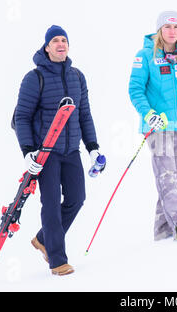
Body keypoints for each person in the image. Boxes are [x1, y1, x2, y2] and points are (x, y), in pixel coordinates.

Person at [14, 25, 104, 275]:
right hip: (46, 153)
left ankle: (43, 238)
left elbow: (84, 114)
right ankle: (57, 260)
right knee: (51, 204)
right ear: (46, 46)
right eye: (55, 40)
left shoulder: (77, 76)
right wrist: (28, 151)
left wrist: (93, 148)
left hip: (71, 150)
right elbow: (21, 117)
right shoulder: (35, 78)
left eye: (64, 40)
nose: (61, 44)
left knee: (77, 199)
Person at [128, 11, 177, 241]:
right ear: (160, 30)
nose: (172, 31)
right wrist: (148, 114)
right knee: (167, 175)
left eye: (176, 27)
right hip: (158, 126)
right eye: (167, 27)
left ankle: (162, 234)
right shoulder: (145, 56)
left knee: (174, 178)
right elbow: (135, 90)